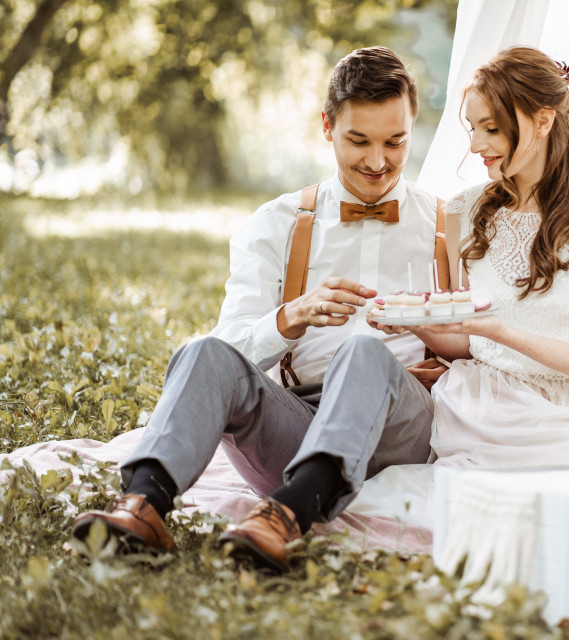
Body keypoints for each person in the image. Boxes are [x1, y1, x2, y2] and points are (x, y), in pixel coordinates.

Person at [71, 46, 445, 571]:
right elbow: (232, 349)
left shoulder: (449, 225)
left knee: (363, 352)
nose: (378, 162)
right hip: (296, 420)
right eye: (358, 141)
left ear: (413, 126)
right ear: (327, 126)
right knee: (205, 351)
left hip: (399, 424)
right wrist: (290, 318)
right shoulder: (276, 223)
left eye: (395, 141)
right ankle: (143, 505)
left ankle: (287, 515)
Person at [373, 45, 569, 470]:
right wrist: (416, 323)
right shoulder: (464, 211)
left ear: (543, 120)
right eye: (471, 128)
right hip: (475, 411)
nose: (476, 145)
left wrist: (502, 332)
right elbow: (468, 345)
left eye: (491, 129)